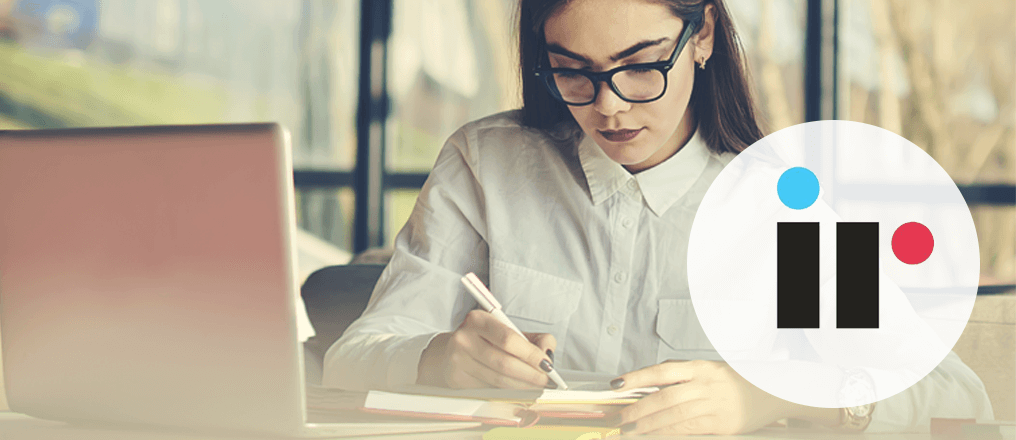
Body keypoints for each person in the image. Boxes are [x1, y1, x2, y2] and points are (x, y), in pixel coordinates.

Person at [323, 0, 992, 435]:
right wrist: (443, 357)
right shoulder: (489, 166)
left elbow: (951, 399)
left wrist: (763, 397)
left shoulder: (780, 207)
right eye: (572, 71)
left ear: (701, 35)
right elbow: (350, 360)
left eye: (640, 66)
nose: (609, 106)